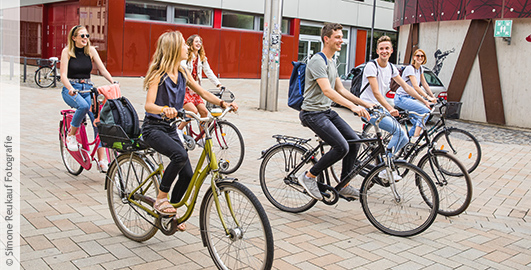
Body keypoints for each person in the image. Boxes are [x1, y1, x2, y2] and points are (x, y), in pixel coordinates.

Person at [141, 31, 237, 230]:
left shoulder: (183, 72)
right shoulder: (158, 74)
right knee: (179, 155)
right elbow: (149, 105)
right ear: (175, 49)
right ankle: (161, 198)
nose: (187, 47)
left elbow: (202, 92)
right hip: (153, 128)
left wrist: (223, 103)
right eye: (184, 45)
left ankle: (169, 215)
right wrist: (164, 109)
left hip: (170, 128)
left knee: (187, 174)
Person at [298, 23, 372, 201]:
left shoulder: (332, 61)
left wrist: (365, 104)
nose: (341, 40)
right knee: (341, 147)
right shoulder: (318, 60)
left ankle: (344, 184)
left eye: (342, 37)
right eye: (337, 37)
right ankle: (308, 177)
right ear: (326, 39)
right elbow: (328, 91)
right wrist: (353, 108)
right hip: (312, 113)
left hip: (326, 111)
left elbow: (340, 89)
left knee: (355, 141)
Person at [60, 25, 117, 171]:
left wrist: (113, 82)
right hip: (71, 89)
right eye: (82, 36)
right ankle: (71, 136)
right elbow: (63, 76)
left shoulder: (91, 51)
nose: (85, 39)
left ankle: (101, 161)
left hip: (88, 89)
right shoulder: (67, 52)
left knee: (98, 122)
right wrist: (71, 89)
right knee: (84, 107)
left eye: (87, 36)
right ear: (74, 38)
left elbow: (102, 69)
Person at [359, 35, 413, 181]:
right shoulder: (372, 66)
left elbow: (406, 86)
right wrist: (390, 108)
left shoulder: (391, 67)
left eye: (387, 48)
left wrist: (425, 100)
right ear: (377, 51)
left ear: (391, 50)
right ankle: (385, 167)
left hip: (380, 109)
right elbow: (376, 92)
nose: (384, 51)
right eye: (381, 48)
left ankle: (384, 161)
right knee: (398, 132)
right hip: (368, 108)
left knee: (404, 138)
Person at [177, 34, 223, 144]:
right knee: (193, 111)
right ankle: (178, 130)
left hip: (195, 91)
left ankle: (201, 139)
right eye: (196, 42)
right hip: (185, 90)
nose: (199, 44)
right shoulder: (186, 56)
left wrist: (218, 84)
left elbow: (208, 71)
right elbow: (182, 69)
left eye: (200, 42)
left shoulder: (201, 58)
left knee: (204, 112)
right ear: (190, 44)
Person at [394, 49, 436, 140]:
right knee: (425, 112)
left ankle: (406, 140)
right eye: (418, 56)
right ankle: (414, 139)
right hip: (401, 98)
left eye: (422, 56)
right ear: (414, 57)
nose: (420, 57)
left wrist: (433, 96)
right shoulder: (410, 68)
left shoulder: (420, 68)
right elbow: (416, 87)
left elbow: (424, 84)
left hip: (410, 98)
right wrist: (427, 98)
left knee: (419, 119)